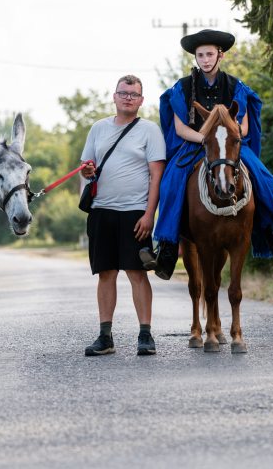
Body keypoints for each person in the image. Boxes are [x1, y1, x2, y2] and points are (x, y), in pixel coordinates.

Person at [140, 29, 273, 279]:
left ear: (220, 56)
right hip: (195, 144)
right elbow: (179, 128)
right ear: (196, 58)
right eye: (200, 55)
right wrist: (206, 139)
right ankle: (166, 250)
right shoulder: (183, 87)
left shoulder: (235, 86)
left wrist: (223, 140)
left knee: (264, 179)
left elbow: (242, 127)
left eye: (210, 54)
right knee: (170, 181)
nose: (205, 59)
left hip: (229, 145)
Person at [80, 74, 166, 357]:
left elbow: (156, 177)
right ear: (114, 97)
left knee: (137, 272)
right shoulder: (98, 128)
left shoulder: (150, 131)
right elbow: (86, 166)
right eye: (123, 93)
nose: (128, 98)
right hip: (102, 211)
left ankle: (145, 334)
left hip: (135, 213)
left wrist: (149, 214)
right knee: (105, 273)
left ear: (141, 100)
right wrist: (88, 171)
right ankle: (105, 337)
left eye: (133, 94)